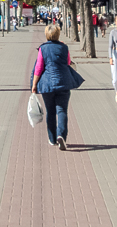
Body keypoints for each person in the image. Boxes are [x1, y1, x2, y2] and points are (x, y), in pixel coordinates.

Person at [31, 22, 78, 150]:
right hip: (63, 83)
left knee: (50, 112)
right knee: (62, 110)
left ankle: (52, 139)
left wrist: (34, 84)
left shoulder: (43, 48)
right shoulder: (64, 47)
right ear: (58, 34)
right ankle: (61, 135)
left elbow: (39, 67)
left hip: (47, 85)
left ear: (46, 34)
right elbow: (68, 62)